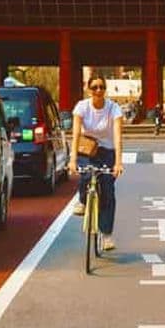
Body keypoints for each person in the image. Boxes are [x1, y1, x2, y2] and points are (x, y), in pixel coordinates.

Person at [68, 74, 124, 251]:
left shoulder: (113, 108)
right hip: (87, 149)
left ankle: (106, 235)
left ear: (105, 89)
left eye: (101, 87)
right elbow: (76, 134)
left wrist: (118, 162)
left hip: (107, 151)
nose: (98, 90)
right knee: (86, 175)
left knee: (107, 189)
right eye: (94, 87)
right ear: (89, 90)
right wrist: (72, 160)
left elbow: (117, 137)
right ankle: (83, 200)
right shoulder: (82, 107)